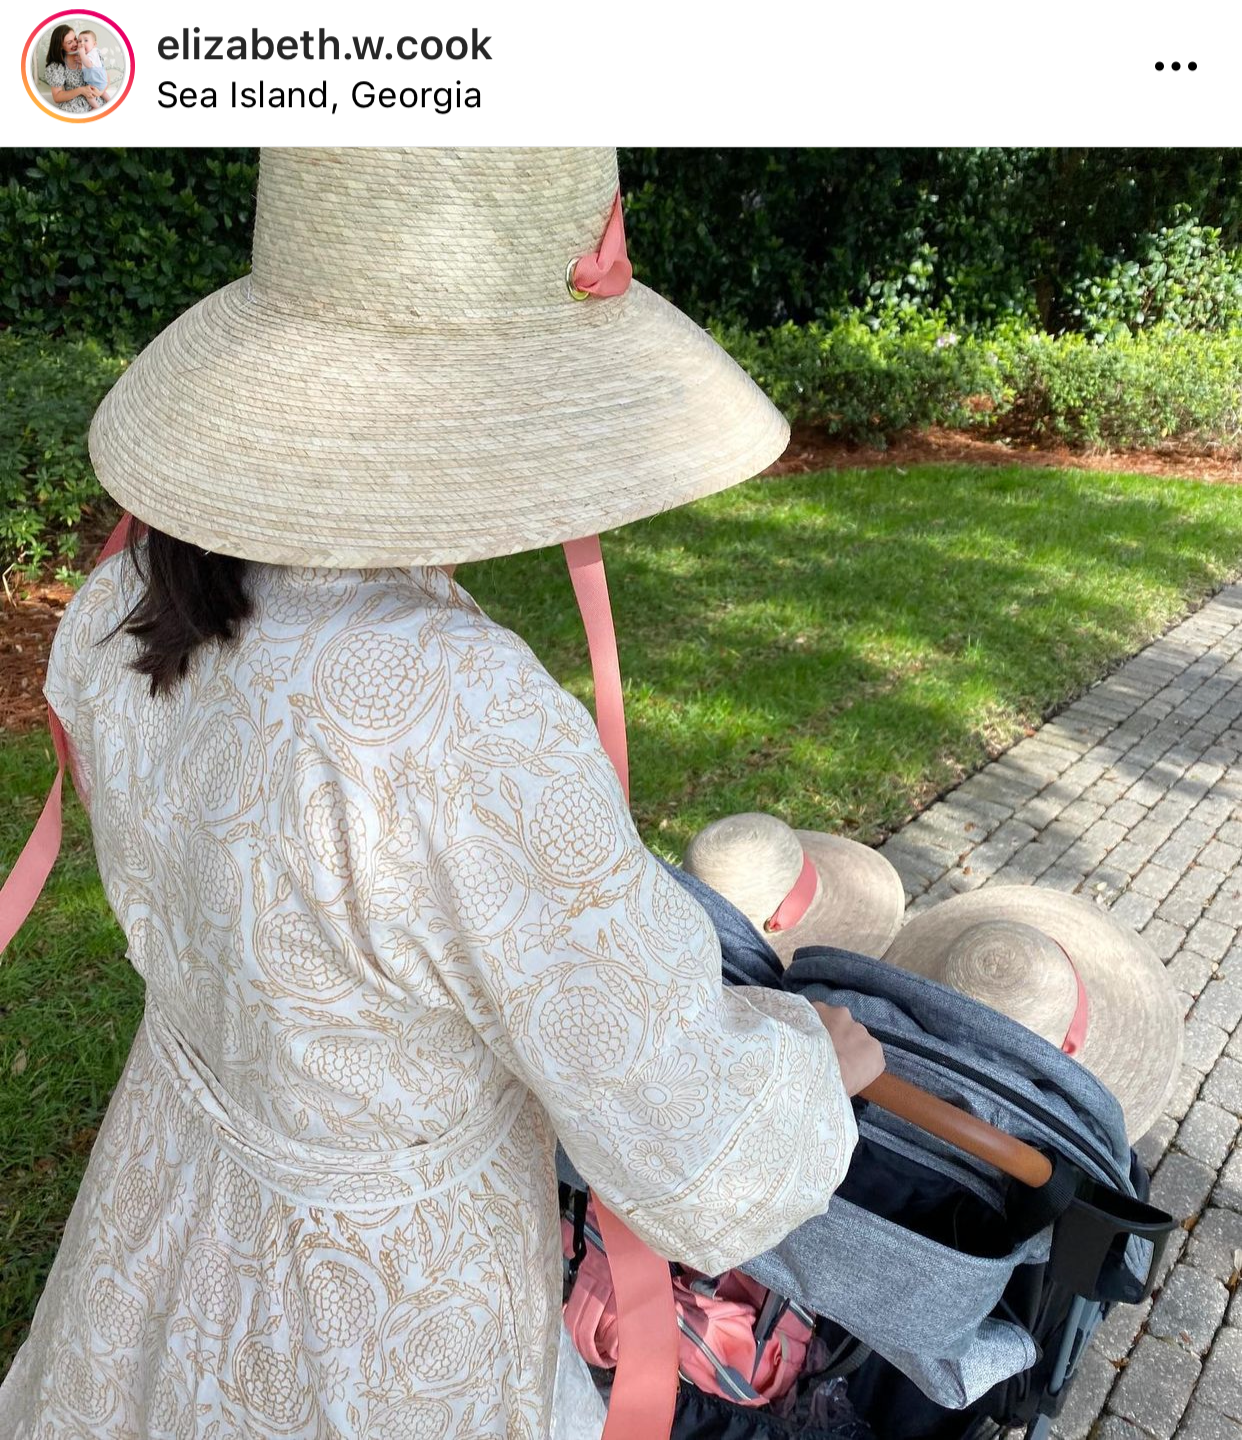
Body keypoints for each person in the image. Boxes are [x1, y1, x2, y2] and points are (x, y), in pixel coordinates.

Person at [0, 147, 884, 1439]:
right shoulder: (448, 709)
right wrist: (816, 1066)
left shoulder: (125, 601)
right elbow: (670, 1125)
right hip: (390, 1304)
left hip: (174, 1189)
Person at [41, 25, 101, 116]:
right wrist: (81, 90)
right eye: (69, 42)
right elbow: (57, 97)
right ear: (60, 46)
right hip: (74, 104)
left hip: (94, 98)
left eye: (75, 39)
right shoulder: (57, 65)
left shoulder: (89, 53)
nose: (76, 44)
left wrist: (99, 92)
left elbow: (105, 77)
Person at [75, 30, 112, 107]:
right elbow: (86, 62)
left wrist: (82, 54)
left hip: (97, 82)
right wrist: (81, 59)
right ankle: (110, 103)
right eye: (79, 41)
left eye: (86, 40)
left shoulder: (93, 53)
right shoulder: (89, 54)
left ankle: (96, 108)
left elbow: (88, 64)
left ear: (94, 44)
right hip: (98, 81)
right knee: (103, 93)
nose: (82, 43)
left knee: (89, 96)